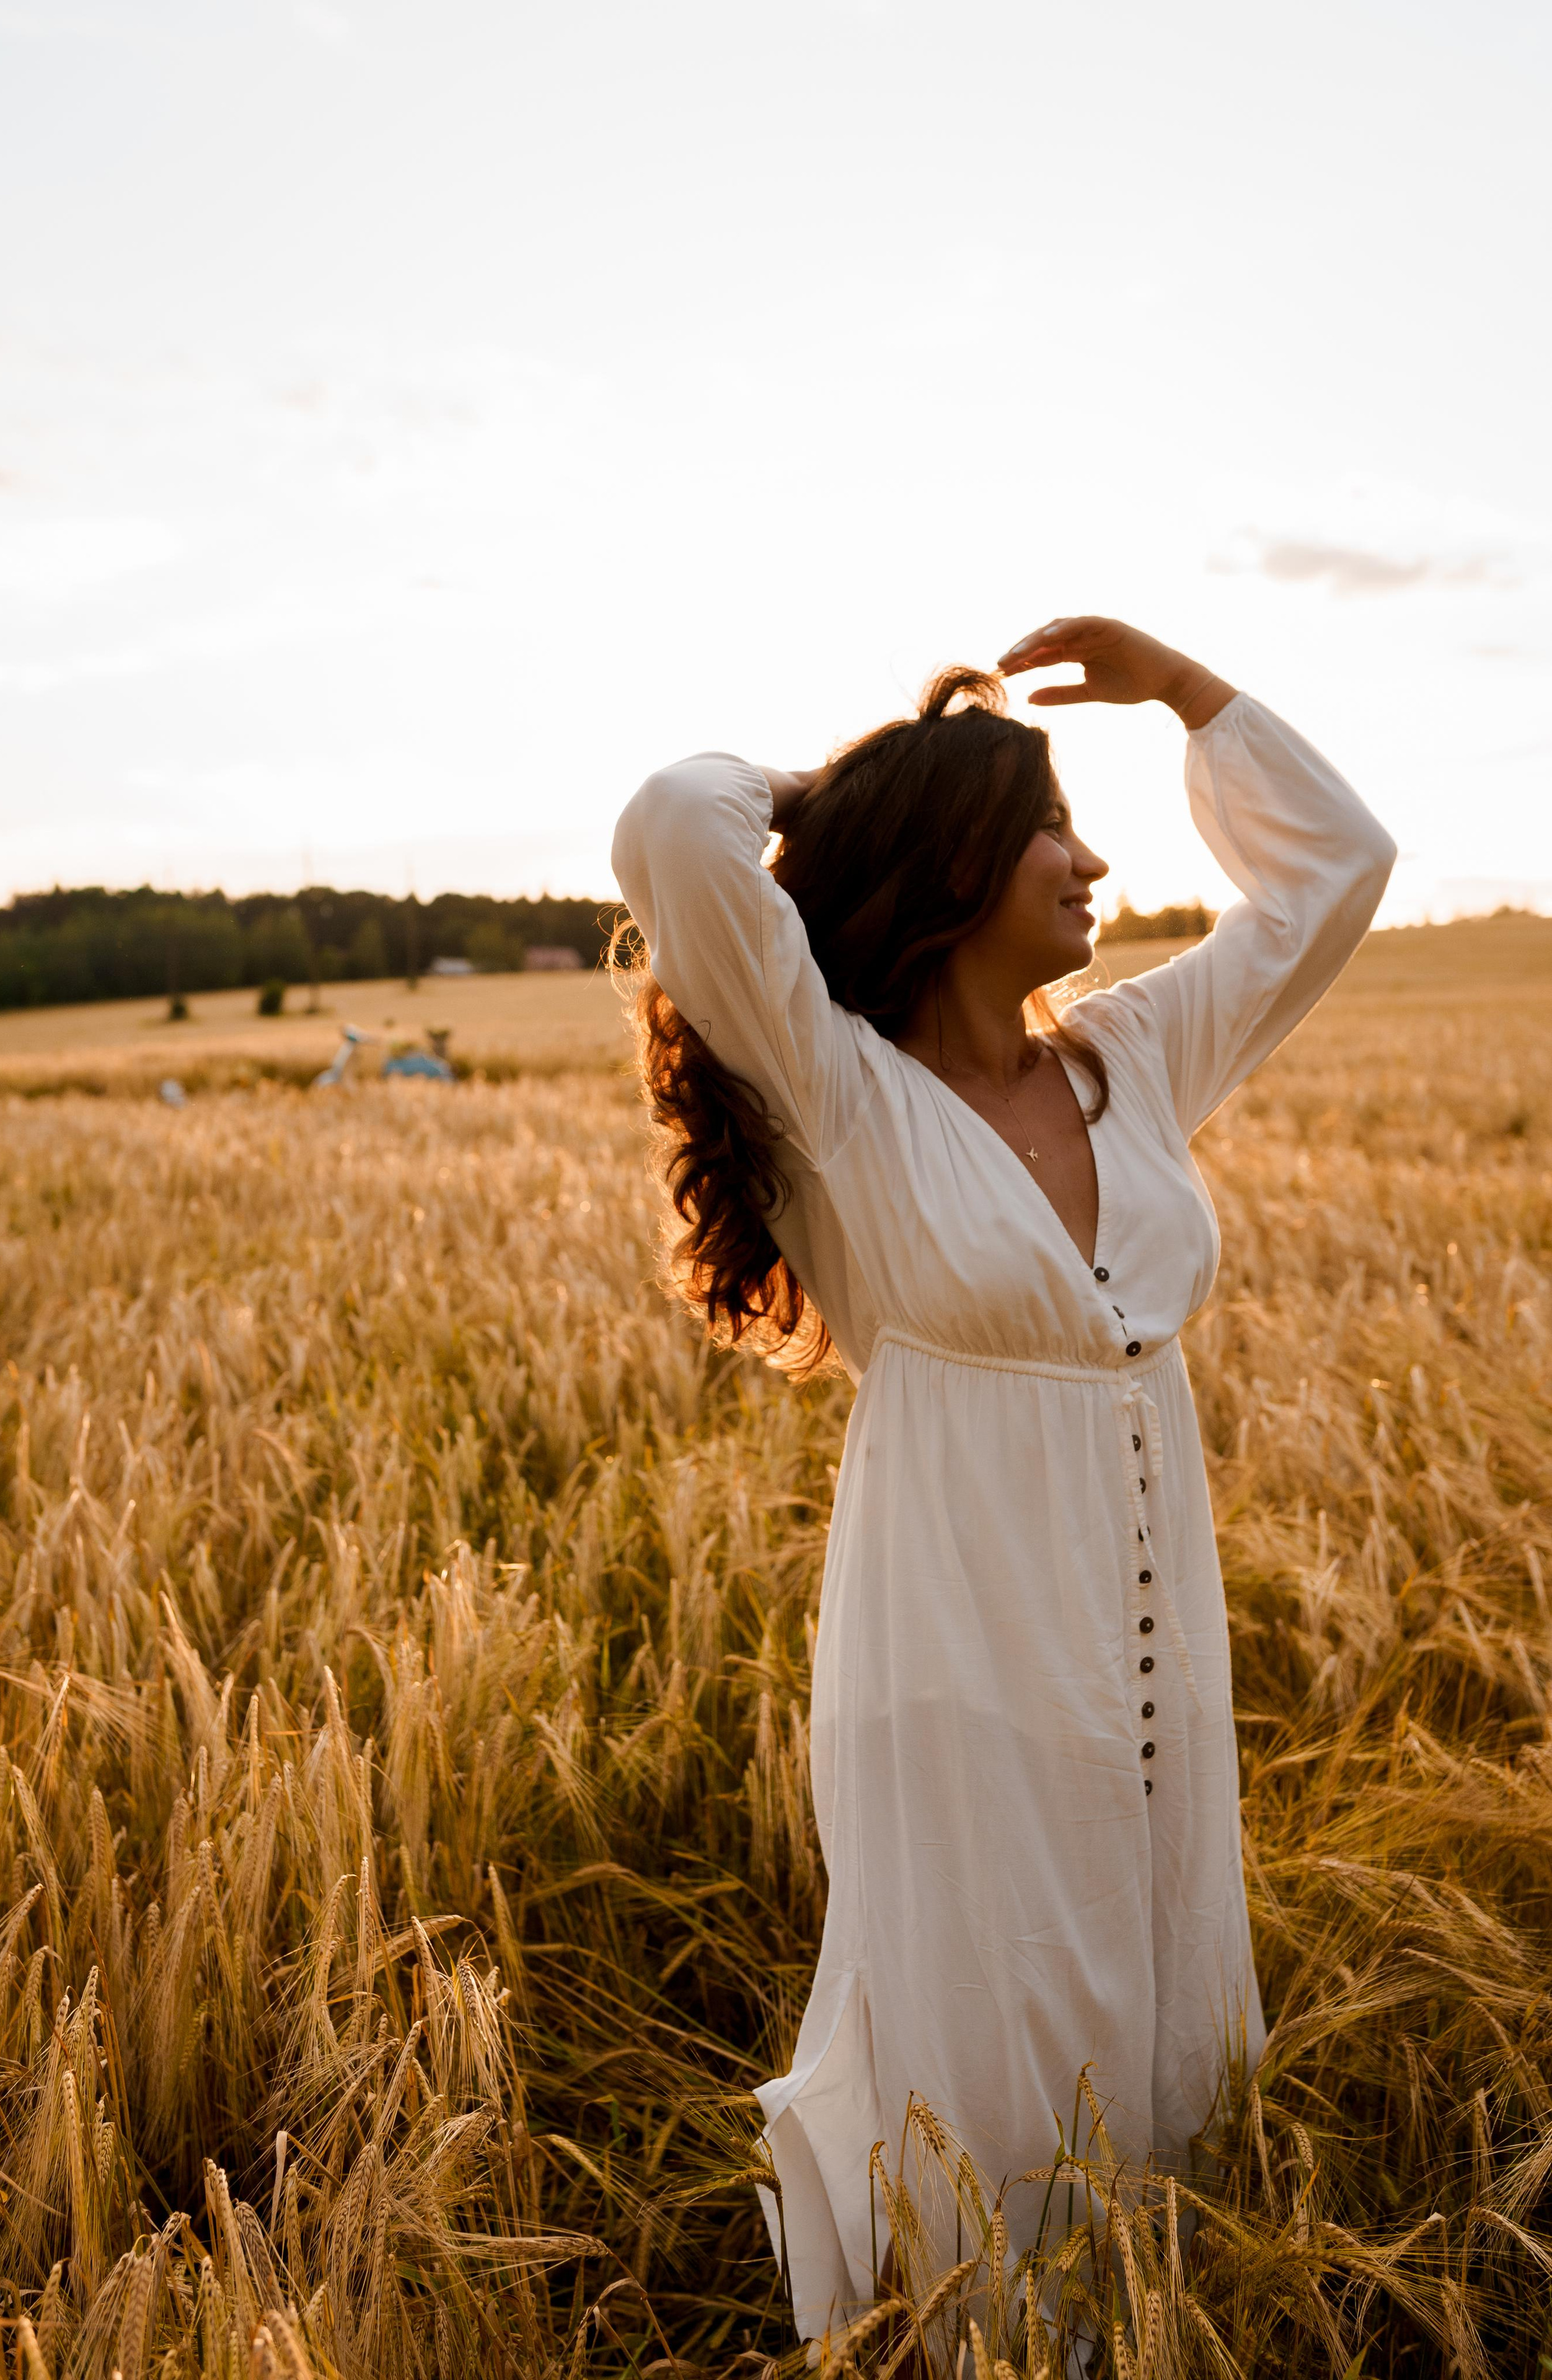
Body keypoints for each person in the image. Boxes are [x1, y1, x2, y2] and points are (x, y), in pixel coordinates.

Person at [611, 616, 1395, 2337]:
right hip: (956, 1634)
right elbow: (676, 824)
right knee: (990, 1994)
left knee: (1156, 1970)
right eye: (1052, 824)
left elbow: (1339, 870)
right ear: (959, 856)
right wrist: (871, 780)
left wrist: (1188, 687)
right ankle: (971, 2335)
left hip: (1148, 1624)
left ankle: (1151, 2318)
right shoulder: (840, 1089)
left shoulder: (1135, 1059)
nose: (1098, 859)